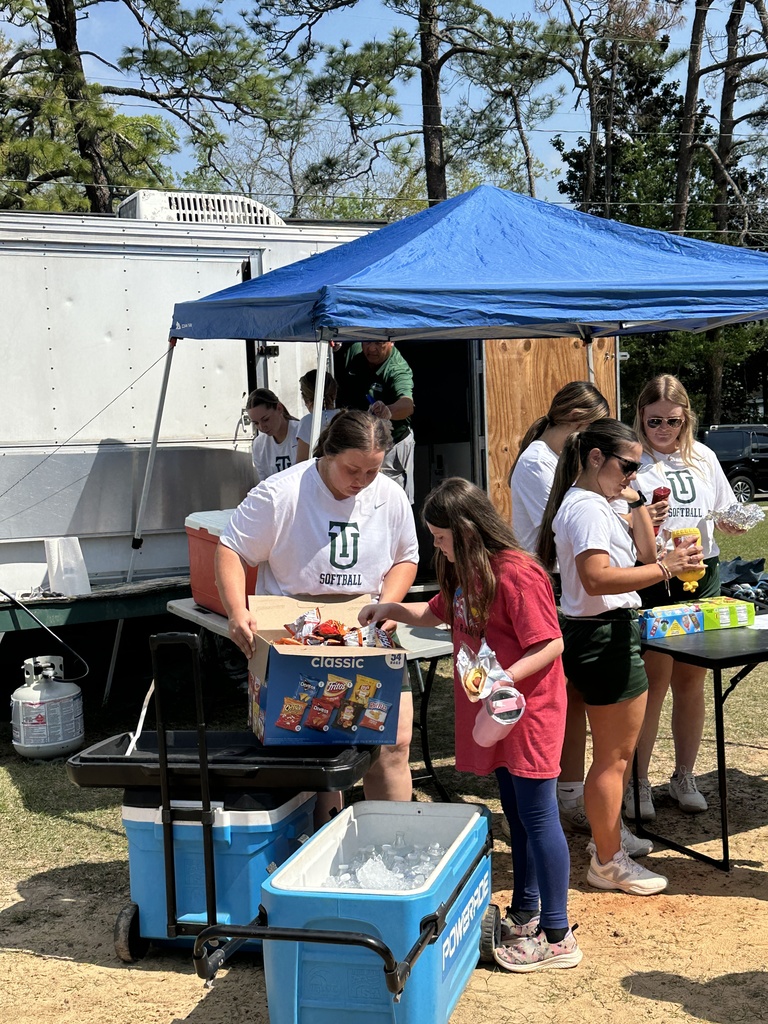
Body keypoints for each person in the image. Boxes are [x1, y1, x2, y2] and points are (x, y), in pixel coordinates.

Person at [359, 477, 582, 972]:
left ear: (466, 529)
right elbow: (435, 613)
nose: (436, 545)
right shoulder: (468, 570)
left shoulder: (518, 574)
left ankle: (558, 933)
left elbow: (550, 644)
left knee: (539, 814)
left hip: (527, 712)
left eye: (440, 536)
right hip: (496, 714)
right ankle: (526, 911)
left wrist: (504, 677)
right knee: (516, 813)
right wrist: (390, 609)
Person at [215, 409, 420, 813]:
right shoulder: (282, 493)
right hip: (294, 632)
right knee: (315, 743)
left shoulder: (390, 495)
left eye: (372, 472)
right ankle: (323, 837)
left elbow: (405, 558)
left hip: (367, 626)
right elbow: (231, 550)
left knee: (394, 740)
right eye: (352, 469)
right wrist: (237, 611)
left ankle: (392, 835)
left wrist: (388, 604)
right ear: (328, 452)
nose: (360, 482)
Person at [537, 419, 700, 895]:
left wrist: (642, 510)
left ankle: (609, 840)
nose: (635, 474)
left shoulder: (597, 502)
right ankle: (608, 860)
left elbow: (642, 556)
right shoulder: (587, 509)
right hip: (603, 634)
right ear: (594, 458)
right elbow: (596, 578)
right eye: (629, 466)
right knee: (613, 758)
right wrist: (665, 568)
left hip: (601, 632)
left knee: (614, 756)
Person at [626, 375, 745, 820]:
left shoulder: (704, 457)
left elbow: (724, 508)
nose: (663, 429)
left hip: (703, 572)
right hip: (657, 575)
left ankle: (683, 775)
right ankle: (637, 782)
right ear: (640, 415)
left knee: (692, 682)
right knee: (654, 681)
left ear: (685, 419)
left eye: (672, 421)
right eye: (654, 420)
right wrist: (641, 518)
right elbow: (614, 517)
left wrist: (733, 523)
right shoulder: (632, 460)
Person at [509, 381, 610, 835]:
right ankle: (539, 799)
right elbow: (557, 526)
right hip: (542, 585)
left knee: (569, 698)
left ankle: (564, 793)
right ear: (574, 422)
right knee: (547, 700)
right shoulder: (536, 462)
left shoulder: (555, 459)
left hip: (560, 584)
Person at [334, 341, 415, 501]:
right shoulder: (355, 350)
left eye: (379, 343)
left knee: (389, 498)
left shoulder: (397, 369)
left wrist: (388, 411)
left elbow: (408, 404)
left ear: (391, 341)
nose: (371, 348)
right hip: (359, 440)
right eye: (367, 342)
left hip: (392, 444)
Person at [246, 387, 300, 482]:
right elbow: (265, 483)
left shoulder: (301, 432)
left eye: (266, 419)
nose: (262, 427)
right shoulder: (259, 444)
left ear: (279, 408)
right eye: (256, 423)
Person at [295, 369, 340, 463]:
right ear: (335, 393)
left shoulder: (307, 422)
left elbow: (301, 463)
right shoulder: (345, 416)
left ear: (305, 397)